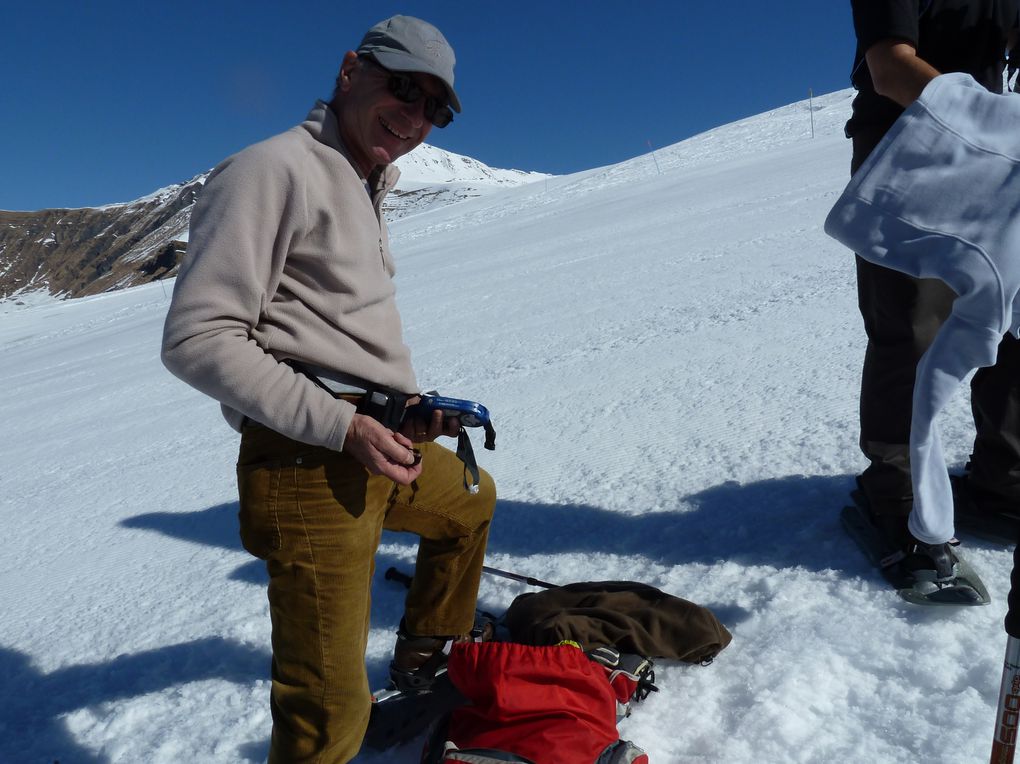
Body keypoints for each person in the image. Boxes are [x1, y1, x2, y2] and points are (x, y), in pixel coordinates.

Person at [161, 15, 496, 762]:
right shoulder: (269, 170)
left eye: (433, 109)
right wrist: (344, 426)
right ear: (350, 70)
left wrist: (404, 407)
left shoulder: (363, 178)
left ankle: (423, 660)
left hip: (377, 440)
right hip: (305, 463)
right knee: (329, 712)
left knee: (471, 501)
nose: (414, 118)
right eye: (401, 89)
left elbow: (325, 333)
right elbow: (197, 339)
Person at [845, 0, 1020, 576]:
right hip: (907, 149)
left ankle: (1005, 476)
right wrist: (998, 125)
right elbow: (890, 66)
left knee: (1011, 315)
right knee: (914, 326)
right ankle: (896, 492)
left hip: (999, 157)